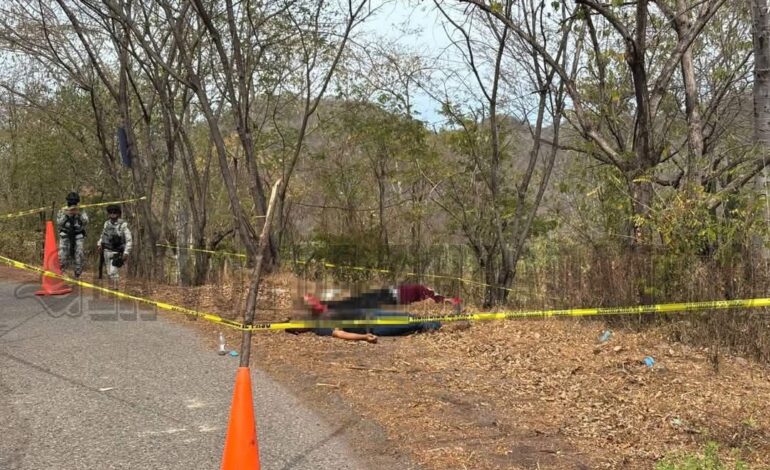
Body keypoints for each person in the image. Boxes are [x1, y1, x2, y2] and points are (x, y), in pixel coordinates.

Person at [97, 204, 132, 287]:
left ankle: (116, 288)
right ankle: (112, 287)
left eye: (114, 212)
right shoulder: (106, 224)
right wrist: (99, 244)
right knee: (109, 272)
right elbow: (103, 235)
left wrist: (126, 252)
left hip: (116, 252)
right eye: (111, 212)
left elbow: (129, 240)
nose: (112, 214)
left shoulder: (123, 225)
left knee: (113, 271)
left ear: (118, 214)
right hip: (106, 250)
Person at [56, 192, 89, 279]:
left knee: (79, 254)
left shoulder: (81, 210)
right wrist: (66, 215)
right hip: (65, 234)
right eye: (71, 202)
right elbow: (59, 224)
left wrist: (79, 214)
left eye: (74, 202)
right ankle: (61, 272)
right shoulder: (62, 210)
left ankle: (77, 273)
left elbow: (86, 222)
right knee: (62, 255)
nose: (73, 204)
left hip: (78, 234)